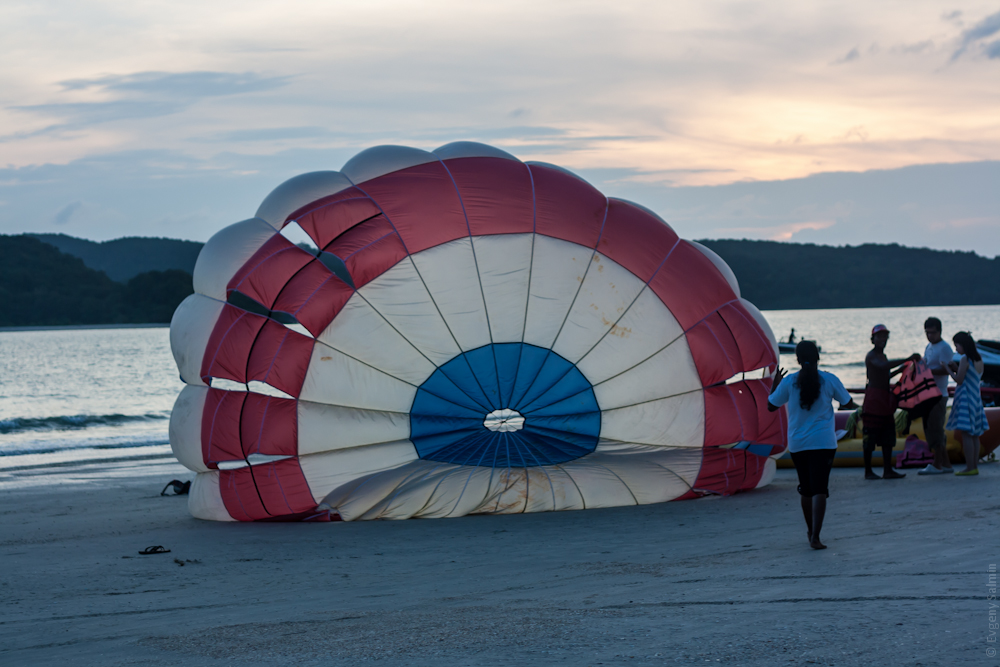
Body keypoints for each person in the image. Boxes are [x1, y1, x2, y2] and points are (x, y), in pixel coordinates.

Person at [768, 341, 858, 550]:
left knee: (806, 489)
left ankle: (810, 531)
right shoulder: (829, 379)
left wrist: (775, 384)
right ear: (818, 357)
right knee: (820, 489)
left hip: (798, 444)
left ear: (797, 360)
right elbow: (848, 403)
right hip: (824, 442)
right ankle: (816, 536)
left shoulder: (789, 382)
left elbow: (771, 406)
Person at [863, 324, 920, 480]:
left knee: (888, 436)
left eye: (884, 336)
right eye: (879, 336)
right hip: (874, 398)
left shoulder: (882, 356)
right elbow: (882, 367)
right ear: (872, 339)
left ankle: (888, 470)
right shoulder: (872, 356)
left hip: (884, 397)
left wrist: (900, 369)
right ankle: (868, 471)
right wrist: (906, 359)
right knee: (870, 436)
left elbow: (884, 374)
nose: (882, 339)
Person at [946, 331, 990, 476]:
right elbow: (968, 376)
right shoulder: (978, 358)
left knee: (966, 434)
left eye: (957, 345)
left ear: (963, 345)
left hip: (965, 398)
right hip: (975, 398)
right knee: (975, 435)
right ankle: (974, 466)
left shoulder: (965, 358)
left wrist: (948, 370)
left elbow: (959, 380)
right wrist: (956, 368)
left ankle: (969, 467)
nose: (956, 349)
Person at [917, 317, 954, 475]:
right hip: (927, 393)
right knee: (930, 428)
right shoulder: (928, 346)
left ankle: (937, 463)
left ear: (939, 331)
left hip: (939, 394)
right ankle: (946, 463)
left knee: (936, 429)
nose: (929, 336)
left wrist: (928, 371)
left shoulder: (944, 348)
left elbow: (947, 370)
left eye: (932, 333)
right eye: (927, 333)